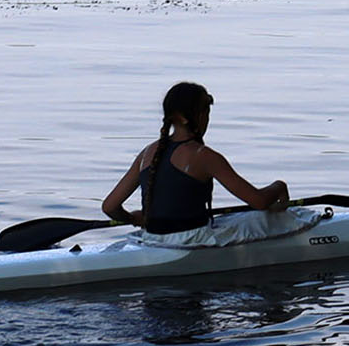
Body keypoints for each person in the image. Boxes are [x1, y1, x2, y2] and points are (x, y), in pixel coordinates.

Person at [101, 82, 289, 236]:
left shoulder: (147, 153)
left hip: (152, 238)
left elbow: (110, 206)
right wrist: (279, 186)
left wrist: (134, 219)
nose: (207, 118)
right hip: (193, 241)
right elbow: (259, 202)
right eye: (205, 112)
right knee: (269, 218)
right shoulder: (205, 156)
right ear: (186, 117)